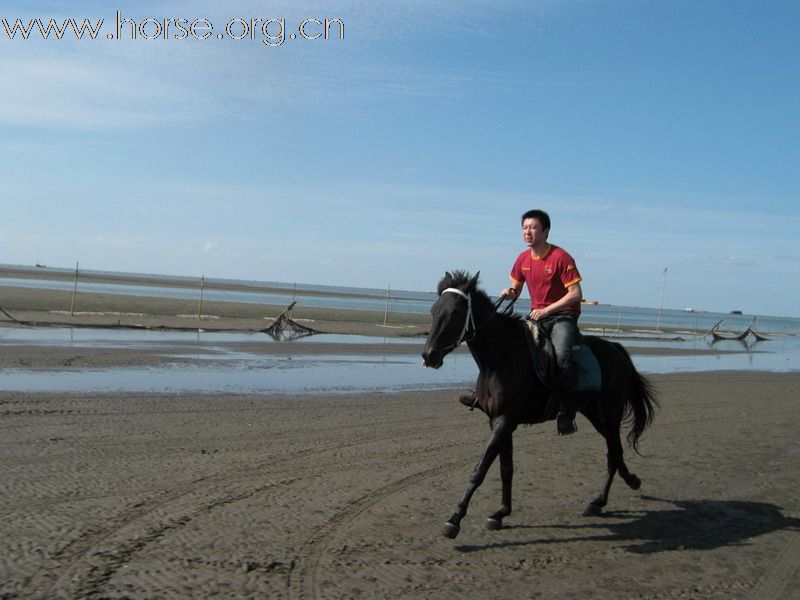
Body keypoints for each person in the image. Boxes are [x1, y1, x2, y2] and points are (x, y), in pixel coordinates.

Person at [500, 209, 583, 435]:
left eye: (533, 228)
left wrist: (546, 310)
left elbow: (575, 293)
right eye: (525, 228)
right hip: (537, 315)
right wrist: (510, 292)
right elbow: (516, 287)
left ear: (545, 231)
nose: (528, 232)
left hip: (562, 316)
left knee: (560, 358)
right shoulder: (523, 259)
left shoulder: (560, 257)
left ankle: (566, 412)